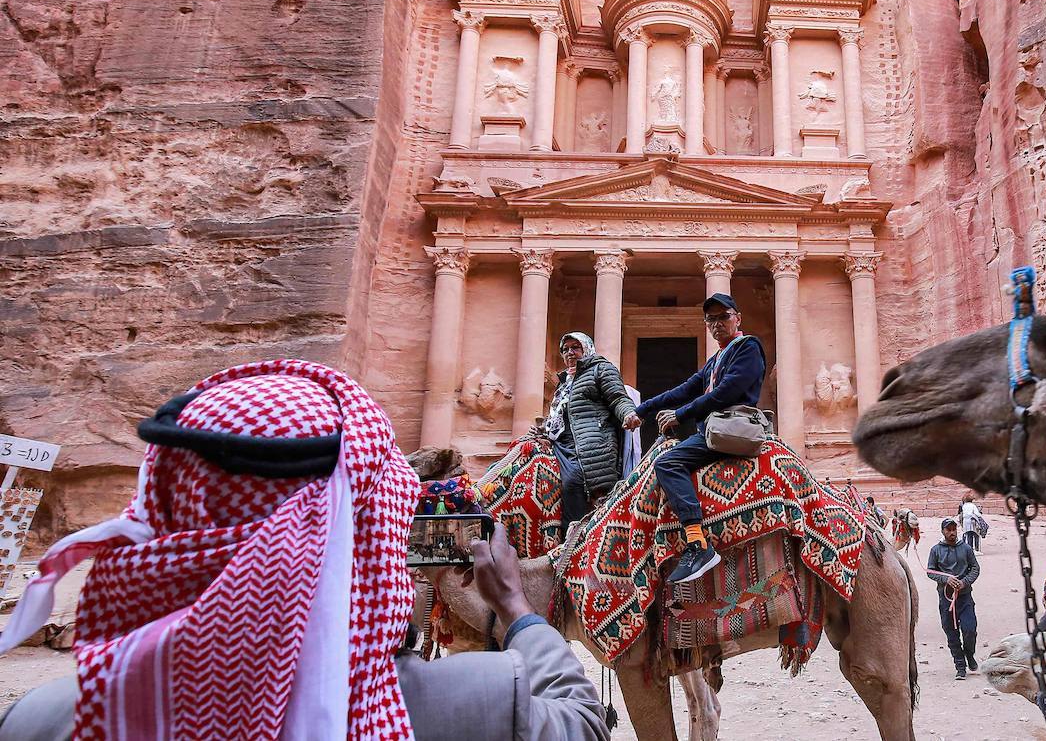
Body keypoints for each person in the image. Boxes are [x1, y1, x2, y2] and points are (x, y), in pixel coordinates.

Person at [0, 360, 608, 741]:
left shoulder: (41, 719)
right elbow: (581, 721)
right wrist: (517, 610)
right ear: (372, 531)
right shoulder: (477, 703)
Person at [631, 293, 767, 584]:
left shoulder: (748, 347)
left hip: (730, 428)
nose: (717, 324)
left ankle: (698, 543)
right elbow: (682, 390)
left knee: (668, 464)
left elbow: (726, 392)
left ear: (737, 318)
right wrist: (639, 411)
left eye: (724, 317)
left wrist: (679, 415)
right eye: (711, 319)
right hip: (714, 427)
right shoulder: (715, 360)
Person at [530, 332, 638, 536]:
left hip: (591, 443)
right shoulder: (564, 382)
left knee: (573, 482)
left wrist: (629, 413)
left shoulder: (601, 369)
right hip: (561, 443)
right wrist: (543, 429)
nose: (570, 353)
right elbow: (562, 417)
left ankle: (574, 541)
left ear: (586, 348)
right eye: (565, 349)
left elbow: (617, 397)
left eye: (575, 347)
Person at [927, 516, 980, 679]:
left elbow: (975, 568)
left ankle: (969, 654)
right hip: (946, 599)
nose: (952, 532)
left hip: (964, 597)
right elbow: (930, 571)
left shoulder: (966, 548)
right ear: (943, 531)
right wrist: (946, 579)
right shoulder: (936, 550)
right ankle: (960, 665)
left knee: (970, 630)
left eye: (954, 529)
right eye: (948, 530)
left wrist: (964, 582)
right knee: (951, 632)